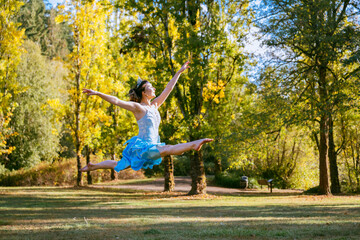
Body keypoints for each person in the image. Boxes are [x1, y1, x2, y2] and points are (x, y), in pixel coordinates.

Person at [80, 61, 213, 172]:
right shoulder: (138, 108)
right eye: (150, 87)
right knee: (168, 149)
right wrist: (98, 93)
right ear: (144, 93)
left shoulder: (155, 106)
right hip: (144, 148)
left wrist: (178, 72)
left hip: (152, 145)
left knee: (121, 164)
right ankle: (194, 144)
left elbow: (168, 89)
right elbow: (116, 101)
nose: (154, 88)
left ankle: (94, 166)